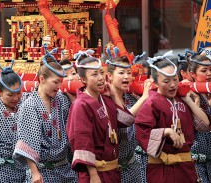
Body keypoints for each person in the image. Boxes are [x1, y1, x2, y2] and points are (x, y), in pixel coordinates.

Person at [135, 51, 211, 183]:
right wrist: (166, 131)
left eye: (175, 80)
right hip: (162, 169)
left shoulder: (182, 100)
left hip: (186, 168)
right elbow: (143, 132)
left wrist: (187, 100)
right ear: (156, 83)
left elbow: (205, 125)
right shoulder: (151, 103)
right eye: (166, 81)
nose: (172, 85)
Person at [66, 51, 135, 183]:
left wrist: (114, 96)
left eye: (101, 73)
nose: (101, 78)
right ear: (83, 80)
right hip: (95, 174)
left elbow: (127, 121)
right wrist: (93, 175)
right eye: (95, 74)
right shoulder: (81, 105)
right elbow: (82, 141)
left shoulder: (105, 100)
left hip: (112, 172)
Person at [13, 45, 77, 182]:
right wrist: (35, 172)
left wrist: (74, 101)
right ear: (42, 79)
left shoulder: (61, 99)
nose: (59, 86)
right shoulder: (30, 105)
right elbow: (28, 141)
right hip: (42, 171)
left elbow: (71, 127)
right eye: (55, 82)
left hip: (64, 168)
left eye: (61, 82)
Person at [106, 54, 152, 183]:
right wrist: (144, 98)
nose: (126, 76)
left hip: (132, 166)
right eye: (121, 73)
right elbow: (124, 120)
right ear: (109, 76)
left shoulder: (131, 98)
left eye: (129, 73)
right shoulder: (105, 100)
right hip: (112, 169)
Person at [187, 53, 211, 183]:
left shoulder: (207, 94)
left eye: (210, 70)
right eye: (204, 70)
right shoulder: (187, 95)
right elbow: (200, 125)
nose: (209, 73)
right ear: (193, 74)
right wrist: (195, 100)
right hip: (195, 163)